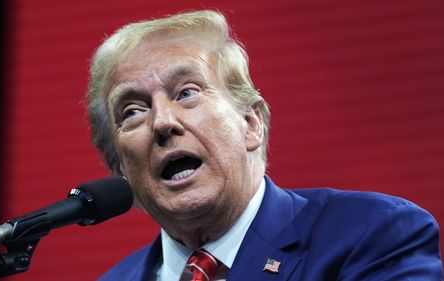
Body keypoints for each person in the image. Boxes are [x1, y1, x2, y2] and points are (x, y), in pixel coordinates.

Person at [85, 9, 442, 281]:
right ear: (119, 168)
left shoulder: (372, 236)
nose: (162, 121)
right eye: (132, 111)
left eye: (187, 92)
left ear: (250, 124)